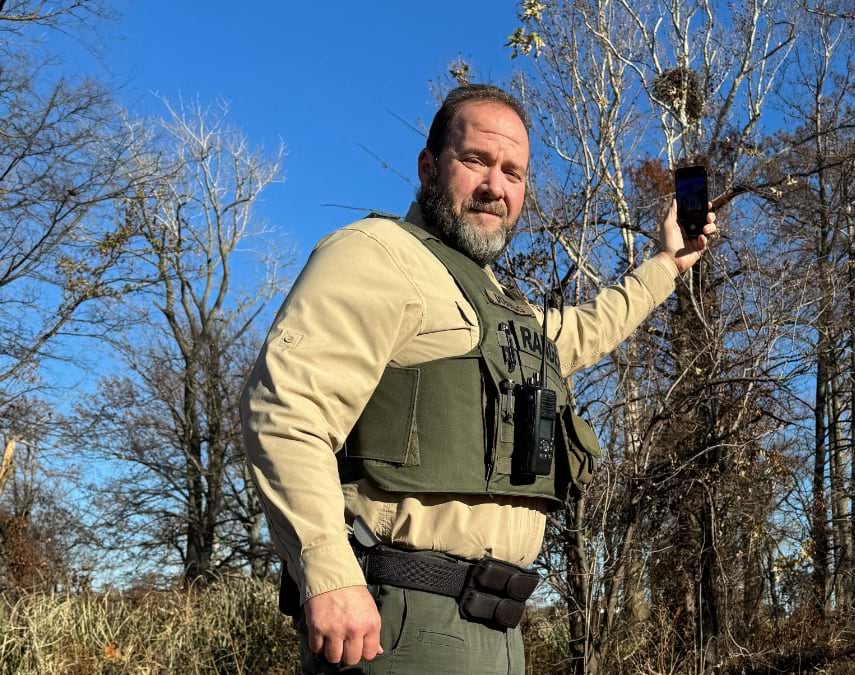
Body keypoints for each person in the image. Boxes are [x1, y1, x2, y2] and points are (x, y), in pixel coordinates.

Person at [240, 83, 717, 674]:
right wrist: (328, 573)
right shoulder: (378, 254)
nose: (496, 187)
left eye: (513, 172)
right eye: (476, 162)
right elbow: (285, 413)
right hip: (399, 623)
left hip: (497, 630)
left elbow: (584, 330)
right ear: (428, 166)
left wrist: (667, 263)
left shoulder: (494, 301)